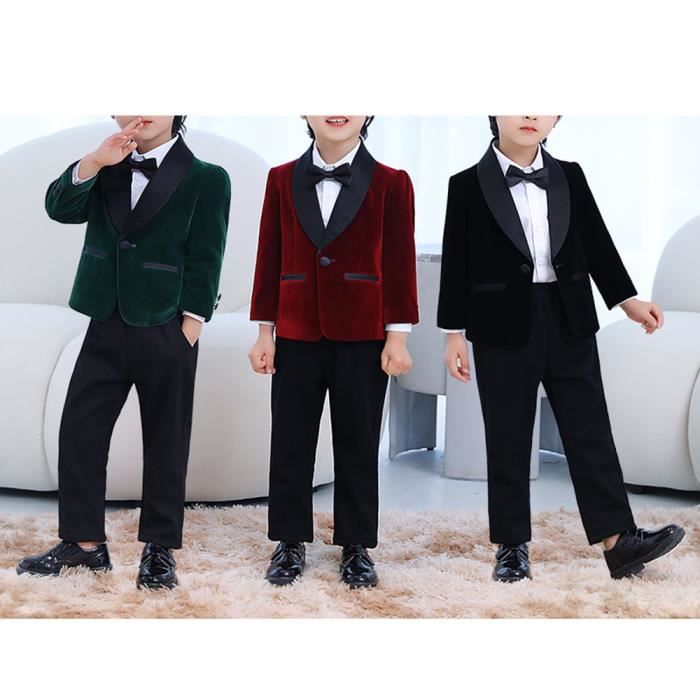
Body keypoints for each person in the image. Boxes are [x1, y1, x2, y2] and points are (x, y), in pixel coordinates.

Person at [437, 115, 684, 582]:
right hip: (500, 324)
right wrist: (453, 334)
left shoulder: (569, 174)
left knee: (589, 427)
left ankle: (618, 541)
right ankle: (511, 547)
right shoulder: (466, 184)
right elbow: (457, 261)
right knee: (508, 435)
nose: (530, 115)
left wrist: (627, 300)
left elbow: (596, 241)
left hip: (569, 316)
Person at [16, 115, 231, 590]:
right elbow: (59, 208)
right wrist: (94, 161)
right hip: (104, 320)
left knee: (166, 440)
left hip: (167, 325)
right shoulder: (106, 166)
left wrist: (192, 323)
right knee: (80, 431)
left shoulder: (208, 178)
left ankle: (159, 549)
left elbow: (207, 253)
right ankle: (84, 544)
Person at [248, 115, 418, 588]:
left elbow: (400, 262)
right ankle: (289, 540)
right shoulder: (281, 179)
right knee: (290, 442)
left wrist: (398, 336)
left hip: (364, 334)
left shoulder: (392, 183)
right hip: (296, 331)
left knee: (359, 442)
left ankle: (356, 545)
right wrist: (264, 332)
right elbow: (269, 255)